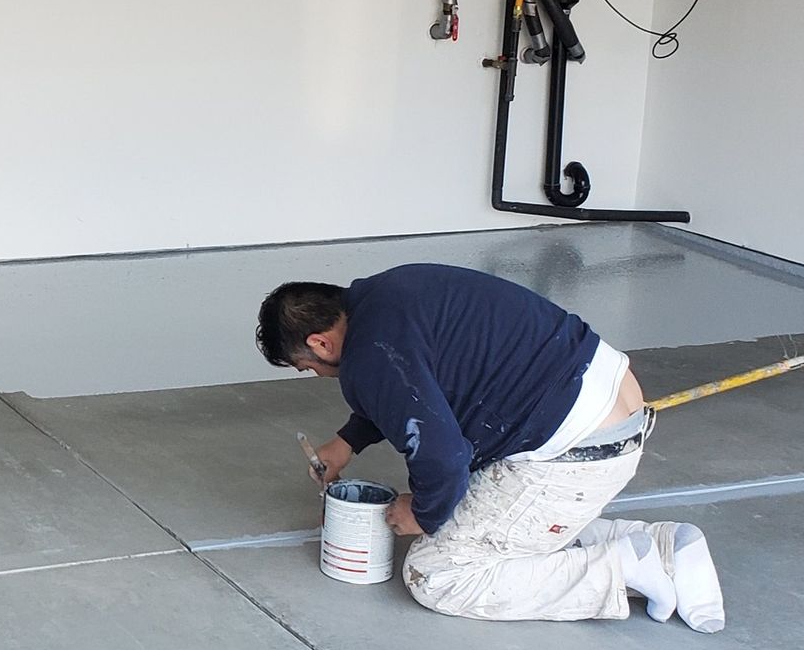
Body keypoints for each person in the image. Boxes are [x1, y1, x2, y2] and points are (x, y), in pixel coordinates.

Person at [255, 265, 723, 630]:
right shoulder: (389, 292)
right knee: (488, 520)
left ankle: (620, 568)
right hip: (606, 407)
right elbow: (413, 382)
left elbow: (443, 456)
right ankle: (663, 546)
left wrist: (422, 511)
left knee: (439, 574)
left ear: (320, 342)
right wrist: (348, 441)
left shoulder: (369, 357)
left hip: (571, 454)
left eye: (306, 367)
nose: (315, 374)